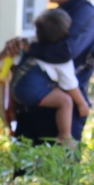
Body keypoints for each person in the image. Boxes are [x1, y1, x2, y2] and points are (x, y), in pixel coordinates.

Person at [0, 0, 94, 149]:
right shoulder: (60, 14)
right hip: (36, 109)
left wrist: (27, 48)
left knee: (53, 177)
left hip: (58, 116)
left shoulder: (85, 13)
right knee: (25, 177)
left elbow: (65, 52)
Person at [8, 9, 89, 151]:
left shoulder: (31, 44)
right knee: (65, 101)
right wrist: (82, 104)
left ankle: (13, 111)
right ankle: (65, 136)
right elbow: (70, 84)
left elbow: (14, 65)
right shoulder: (60, 58)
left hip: (15, 87)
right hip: (30, 90)